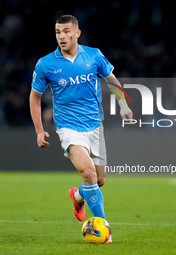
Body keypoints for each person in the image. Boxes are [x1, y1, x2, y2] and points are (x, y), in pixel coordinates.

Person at [29, 14, 132, 243]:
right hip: (68, 128)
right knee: (88, 173)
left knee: (99, 179)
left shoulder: (94, 55)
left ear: (77, 33)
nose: (61, 36)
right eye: (57, 32)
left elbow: (111, 80)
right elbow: (35, 98)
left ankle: (77, 196)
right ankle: (104, 229)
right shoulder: (46, 63)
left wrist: (124, 105)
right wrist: (39, 130)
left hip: (95, 125)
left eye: (66, 31)